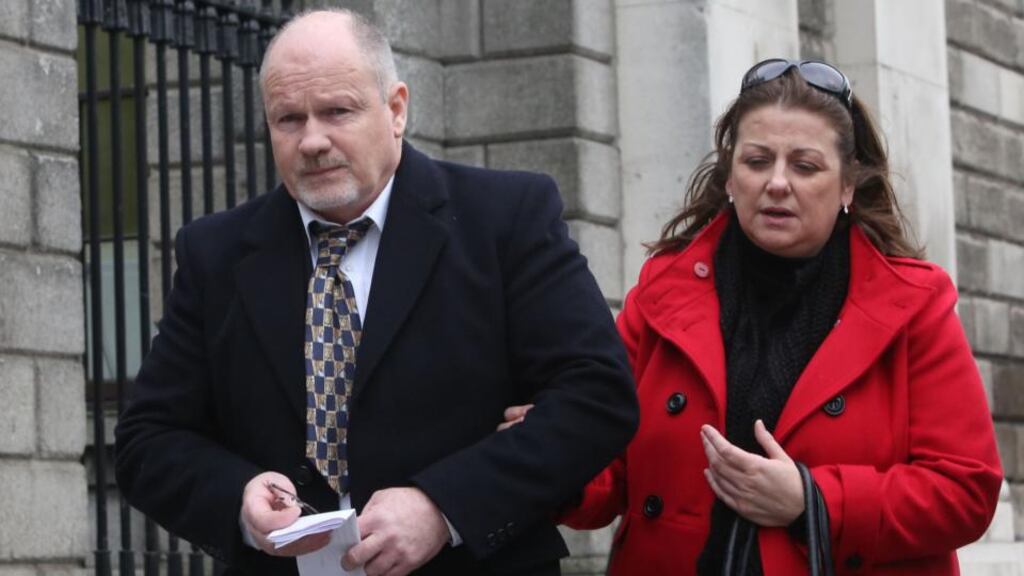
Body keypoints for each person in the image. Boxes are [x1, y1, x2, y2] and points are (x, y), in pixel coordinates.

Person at [114, 9, 638, 576]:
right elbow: (148, 441)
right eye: (288, 119)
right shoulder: (215, 254)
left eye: (337, 111)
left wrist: (443, 507)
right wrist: (238, 498)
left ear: (395, 109)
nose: (312, 140)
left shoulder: (504, 219)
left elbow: (597, 395)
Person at [504, 59, 1003, 575]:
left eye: (805, 166)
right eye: (757, 161)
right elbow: (609, 465)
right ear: (729, 176)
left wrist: (813, 502)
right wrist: (548, 452)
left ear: (849, 186)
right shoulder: (662, 293)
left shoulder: (913, 305)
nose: (777, 183)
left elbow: (965, 490)